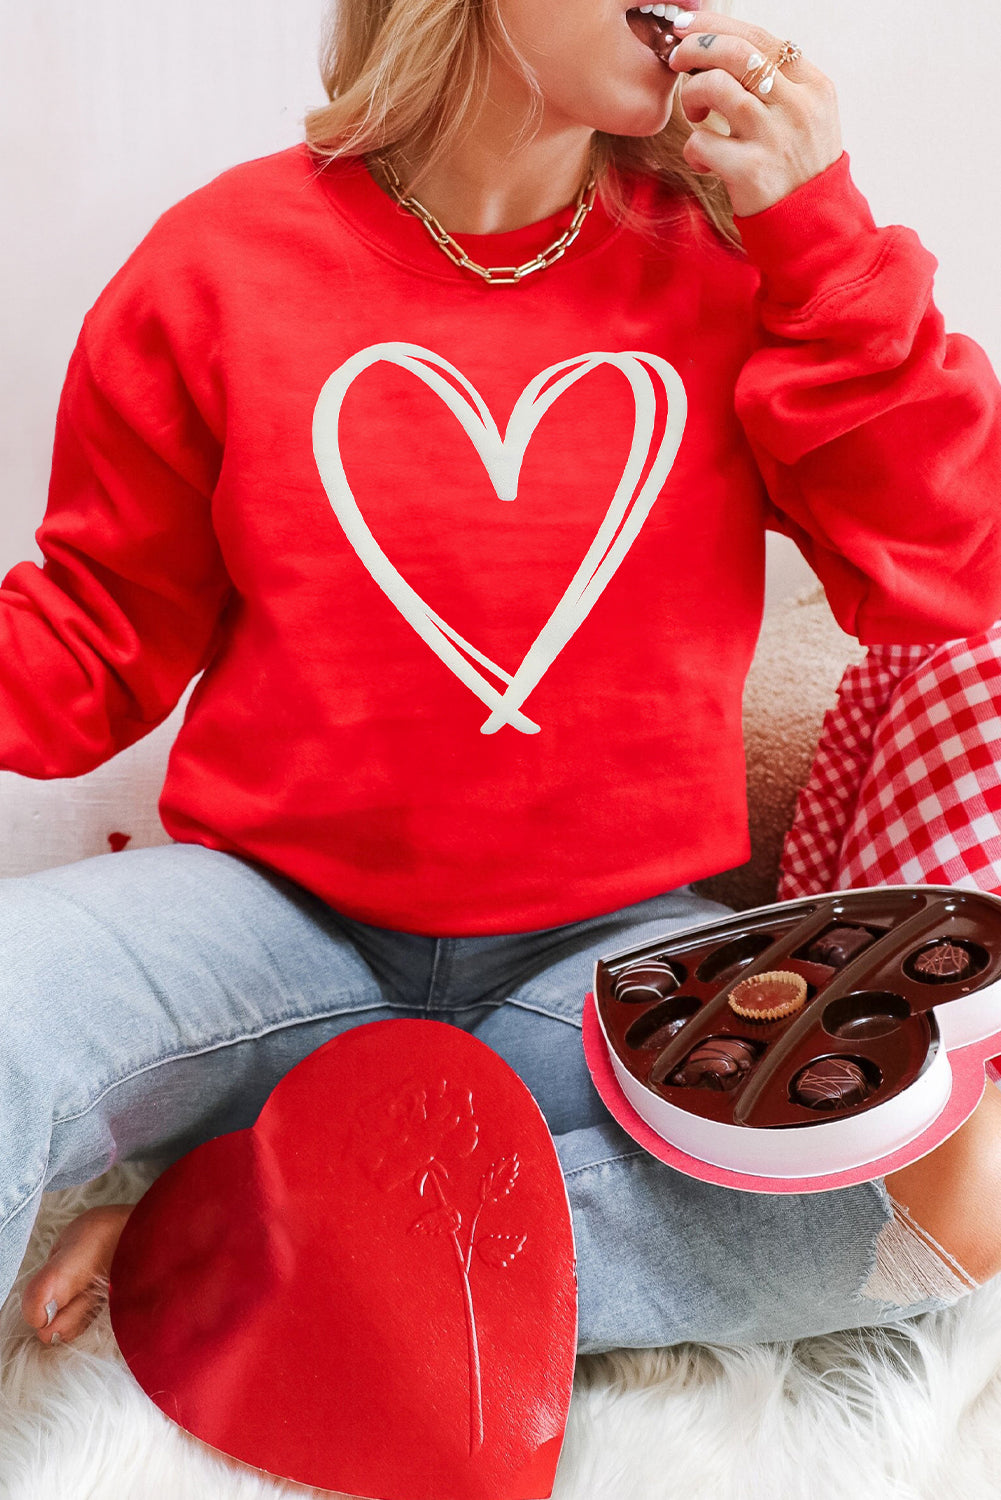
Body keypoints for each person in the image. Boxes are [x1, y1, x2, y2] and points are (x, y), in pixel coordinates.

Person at [8, 0, 1001, 1358]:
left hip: (598, 967)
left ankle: (251, 1249)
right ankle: (361, 1231)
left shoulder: (739, 267)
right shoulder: (218, 262)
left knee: (956, 1182)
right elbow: (90, 642)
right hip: (265, 930)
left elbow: (942, 573)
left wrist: (817, 236)